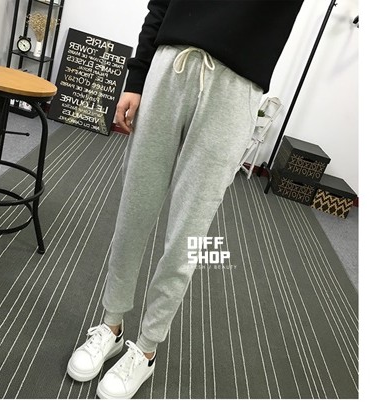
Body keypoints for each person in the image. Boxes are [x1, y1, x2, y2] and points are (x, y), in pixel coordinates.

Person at [67, 0, 304, 399]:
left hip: (235, 88)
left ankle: (146, 348)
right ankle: (111, 324)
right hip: (169, 66)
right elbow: (161, 3)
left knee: (189, 233)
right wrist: (137, 78)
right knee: (134, 210)